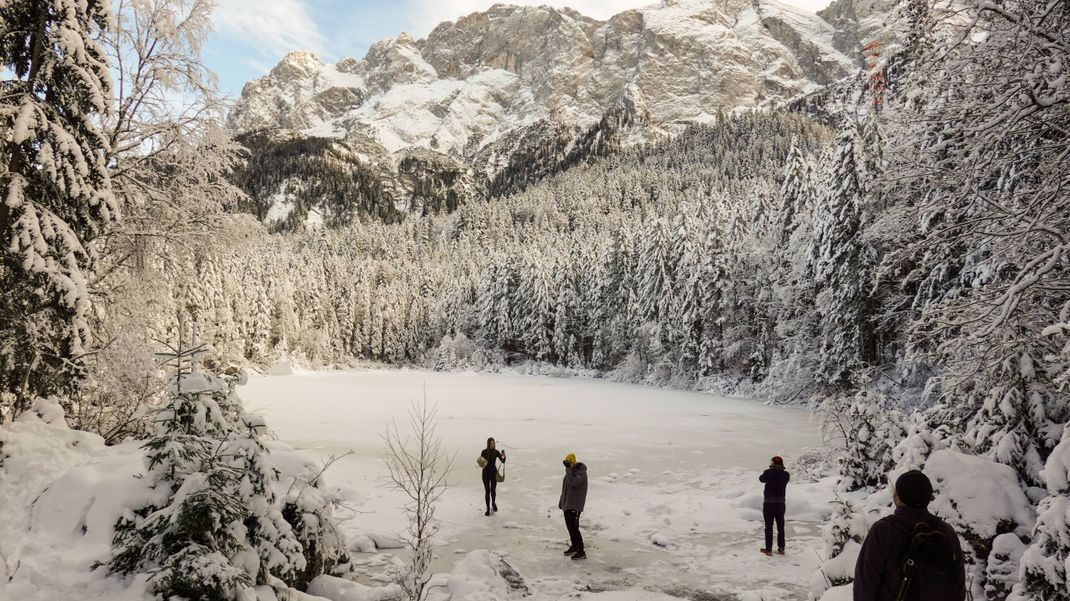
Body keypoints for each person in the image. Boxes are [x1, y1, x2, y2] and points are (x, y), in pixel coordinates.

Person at [853, 470, 966, 601]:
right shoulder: (946, 531)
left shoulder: (883, 531)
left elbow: (864, 586)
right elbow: (958, 584)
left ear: (899, 498)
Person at [559, 453, 588, 560]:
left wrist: (568, 470)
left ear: (573, 462)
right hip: (568, 504)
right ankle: (574, 546)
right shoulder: (570, 474)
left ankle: (581, 550)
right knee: (570, 527)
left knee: (574, 528)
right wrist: (562, 502)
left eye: (568, 463)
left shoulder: (581, 473)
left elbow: (572, 483)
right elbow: (565, 489)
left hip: (575, 505)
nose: (567, 466)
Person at [759, 455, 790, 556]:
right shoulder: (786, 475)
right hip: (781, 503)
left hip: (769, 503)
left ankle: (768, 549)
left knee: (769, 526)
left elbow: (761, 479)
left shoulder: (768, 473)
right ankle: (781, 548)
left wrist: (770, 470)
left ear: (773, 463)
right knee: (781, 526)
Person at [478, 437, 506, 516]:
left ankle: (493, 503)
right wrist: (482, 463)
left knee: (493, 490)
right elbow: (481, 464)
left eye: (493, 443)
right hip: (485, 474)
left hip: (494, 473)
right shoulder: (484, 452)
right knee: (487, 491)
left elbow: (503, 461)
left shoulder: (496, 452)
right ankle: (487, 509)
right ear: (488, 444)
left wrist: (504, 456)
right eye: (491, 443)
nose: (492, 445)